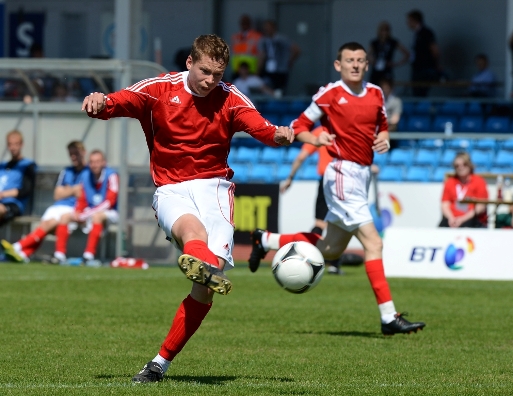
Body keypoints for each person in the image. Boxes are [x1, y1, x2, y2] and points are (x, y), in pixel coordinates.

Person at [81, 34, 294, 383]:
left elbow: (262, 128)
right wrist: (99, 100)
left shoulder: (230, 97)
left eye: (218, 74)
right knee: (192, 233)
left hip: (215, 190)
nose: (211, 80)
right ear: (189, 64)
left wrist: (279, 136)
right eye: (205, 72)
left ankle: (159, 363)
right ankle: (201, 263)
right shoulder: (159, 89)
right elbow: (117, 102)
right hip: (171, 188)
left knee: (203, 290)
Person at [249, 42, 426, 336]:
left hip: (361, 175)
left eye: (359, 60)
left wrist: (384, 139)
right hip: (342, 173)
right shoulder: (329, 94)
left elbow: (382, 125)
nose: (355, 65)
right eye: (349, 60)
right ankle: (388, 317)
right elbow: (299, 126)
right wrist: (315, 140)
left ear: (366, 65)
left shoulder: (376, 94)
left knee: (330, 248)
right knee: (374, 243)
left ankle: (264, 239)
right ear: (338, 65)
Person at [1, 141, 87, 263]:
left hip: (73, 208)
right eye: (71, 154)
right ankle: (23, 254)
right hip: (58, 206)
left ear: (84, 152)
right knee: (45, 225)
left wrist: (67, 190)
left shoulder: (88, 172)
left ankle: (17, 247)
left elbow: (83, 193)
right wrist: (73, 189)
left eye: (76, 154)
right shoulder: (66, 171)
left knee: (49, 224)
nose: (73, 157)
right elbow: (57, 195)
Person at [280, 125, 342, 274]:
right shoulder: (344, 127)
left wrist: (290, 178)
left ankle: (305, 256)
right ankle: (334, 265)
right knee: (340, 223)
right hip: (342, 179)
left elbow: (301, 156)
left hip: (325, 180)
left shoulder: (319, 131)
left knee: (320, 223)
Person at [52, 150, 118, 264]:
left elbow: (109, 202)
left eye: (97, 162)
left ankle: (88, 255)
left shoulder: (112, 175)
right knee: (65, 217)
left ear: (104, 163)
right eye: (92, 162)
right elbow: (82, 197)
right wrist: (78, 211)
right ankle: (59, 255)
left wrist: (86, 214)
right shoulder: (86, 175)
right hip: (89, 211)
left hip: (110, 212)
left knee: (97, 216)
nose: (94, 165)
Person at [439, 152, 488, 228]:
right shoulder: (450, 182)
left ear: (469, 165)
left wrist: (462, 219)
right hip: (451, 219)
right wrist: (451, 218)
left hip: (471, 218)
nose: (460, 167)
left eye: (464, 164)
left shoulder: (479, 181)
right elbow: (444, 204)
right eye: (457, 165)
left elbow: (481, 206)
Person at [0, 130, 37, 226]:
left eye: (16, 144)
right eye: (10, 144)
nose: (13, 148)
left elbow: (26, 190)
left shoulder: (27, 165)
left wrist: (3, 194)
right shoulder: (2, 166)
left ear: (21, 145)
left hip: (13, 204)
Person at [257, 20, 300, 94]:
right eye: (265, 28)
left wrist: (290, 61)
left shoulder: (282, 39)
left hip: (281, 69)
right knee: (266, 88)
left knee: (280, 91)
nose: (266, 30)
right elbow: (262, 55)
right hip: (268, 69)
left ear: (273, 28)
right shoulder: (263, 40)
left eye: (268, 28)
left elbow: (296, 50)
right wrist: (258, 70)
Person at [406, 10, 441, 97]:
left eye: (409, 21)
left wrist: (436, 65)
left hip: (424, 69)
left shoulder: (426, 33)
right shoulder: (416, 34)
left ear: (415, 20)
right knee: (416, 92)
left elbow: (435, 50)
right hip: (417, 68)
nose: (408, 23)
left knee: (421, 92)